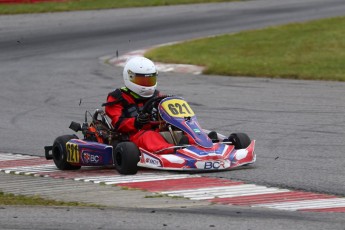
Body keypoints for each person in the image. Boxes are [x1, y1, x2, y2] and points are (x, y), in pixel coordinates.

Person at [103, 56, 187, 154]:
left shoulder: (157, 95)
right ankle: (176, 151)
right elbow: (118, 124)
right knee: (149, 136)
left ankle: (201, 145)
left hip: (158, 131)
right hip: (133, 137)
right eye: (142, 80)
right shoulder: (118, 97)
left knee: (184, 130)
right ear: (130, 77)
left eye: (150, 80)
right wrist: (136, 121)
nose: (147, 84)